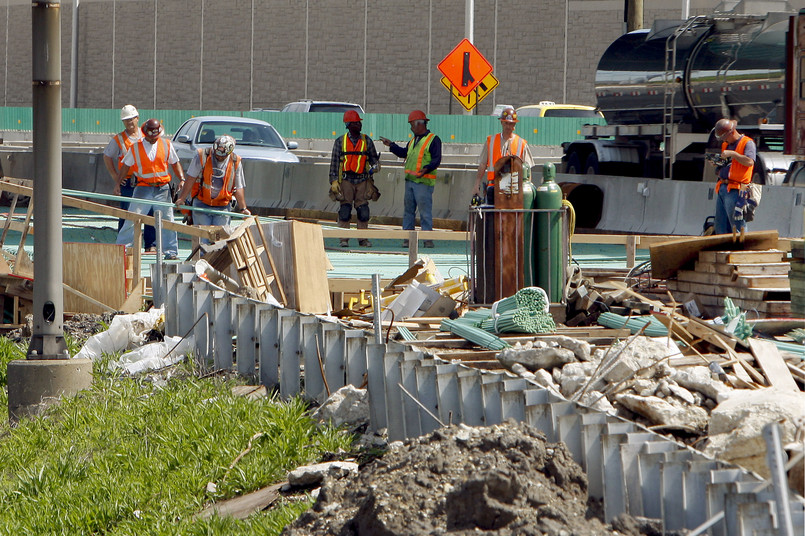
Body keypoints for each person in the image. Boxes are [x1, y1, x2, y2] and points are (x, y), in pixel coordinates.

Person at [114, 118, 185, 260]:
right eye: (151, 137)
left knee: (167, 220)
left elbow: (175, 163)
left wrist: (182, 179)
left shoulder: (166, 144)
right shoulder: (135, 148)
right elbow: (125, 166)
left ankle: (170, 251)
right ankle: (122, 249)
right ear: (145, 134)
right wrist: (117, 183)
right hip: (143, 187)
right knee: (133, 218)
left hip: (162, 189)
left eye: (155, 136)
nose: (153, 139)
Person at [379, 110, 442, 248]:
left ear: (420, 124)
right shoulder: (413, 140)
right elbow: (404, 153)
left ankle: (427, 239)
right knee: (408, 211)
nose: (411, 128)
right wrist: (392, 146)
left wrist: (425, 169)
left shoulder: (433, 140)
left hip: (423, 182)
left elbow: (436, 159)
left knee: (425, 212)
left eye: (412, 124)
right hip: (410, 182)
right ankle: (407, 238)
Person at [174, 134, 251, 244]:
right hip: (201, 203)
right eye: (216, 154)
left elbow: (239, 187)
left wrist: (243, 209)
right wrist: (182, 198)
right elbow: (190, 178)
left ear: (229, 153)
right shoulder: (202, 156)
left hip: (222, 206)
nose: (218, 157)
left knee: (220, 242)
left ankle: (216, 261)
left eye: (222, 156)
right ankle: (201, 259)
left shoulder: (235, 161)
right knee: (202, 239)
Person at [102, 104, 157, 252]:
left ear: (137, 118)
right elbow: (107, 156)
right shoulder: (119, 139)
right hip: (129, 183)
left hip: (146, 181)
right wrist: (116, 177)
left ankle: (150, 245)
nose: (129, 122)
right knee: (127, 214)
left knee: (150, 212)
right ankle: (124, 247)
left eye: (131, 119)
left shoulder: (147, 136)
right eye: (126, 120)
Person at [329, 110, 380, 248]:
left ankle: (362, 239)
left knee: (363, 211)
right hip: (346, 181)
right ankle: (343, 239)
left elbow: (374, 160)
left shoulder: (367, 141)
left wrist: (375, 167)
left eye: (359, 122)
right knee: (345, 210)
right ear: (349, 125)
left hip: (362, 181)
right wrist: (334, 181)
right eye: (356, 123)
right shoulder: (340, 141)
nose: (359, 125)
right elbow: (334, 163)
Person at [473, 107, 534, 204]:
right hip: (493, 188)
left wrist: (527, 188)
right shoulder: (491, 141)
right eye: (506, 123)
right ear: (501, 122)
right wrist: (477, 184)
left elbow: (527, 170)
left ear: (514, 125)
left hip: (513, 190)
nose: (508, 126)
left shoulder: (521, 144)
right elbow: (483, 164)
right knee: (492, 217)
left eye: (510, 123)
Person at [711, 118, 755, 235]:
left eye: (724, 137)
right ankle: (723, 251)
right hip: (723, 187)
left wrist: (734, 154)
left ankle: (740, 250)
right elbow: (728, 165)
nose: (724, 140)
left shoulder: (747, 143)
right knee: (720, 225)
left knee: (737, 225)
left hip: (736, 190)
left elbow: (750, 162)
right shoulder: (726, 145)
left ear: (732, 133)